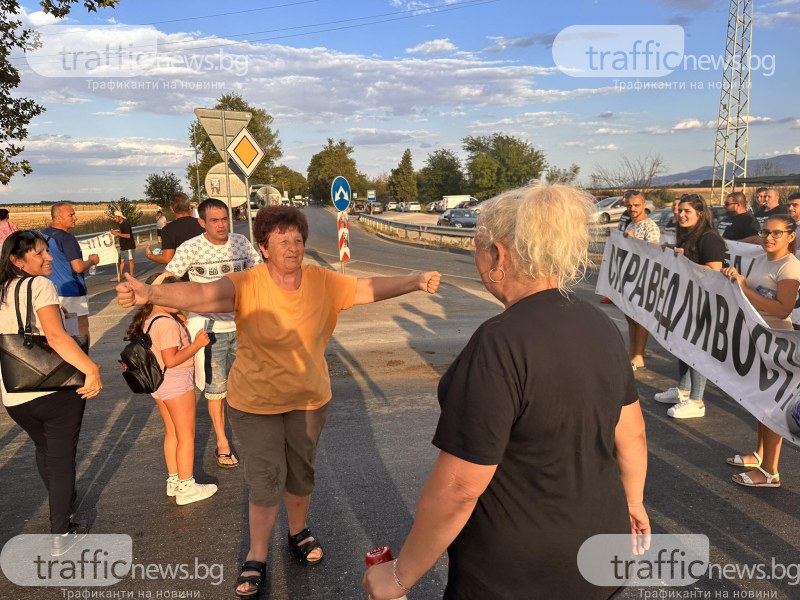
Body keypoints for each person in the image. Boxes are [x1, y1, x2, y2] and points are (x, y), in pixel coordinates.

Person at [115, 205, 441, 599]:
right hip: (254, 404)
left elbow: (366, 288)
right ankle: (256, 555)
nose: (292, 247)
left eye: (298, 240)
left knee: (301, 475)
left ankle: (298, 531)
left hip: (308, 400)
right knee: (267, 481)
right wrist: (151, 292)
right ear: (264, 247)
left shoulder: (322, 282)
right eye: (282, 240)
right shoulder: (247, 283)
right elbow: (200, 292)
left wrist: (415, 279)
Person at [363, 183, 649, 600]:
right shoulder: (600, 324)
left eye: (478, 248)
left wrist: (399, 576)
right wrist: (635, 503)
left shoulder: (498, 344)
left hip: (518, 575)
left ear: (499, 255)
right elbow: (633, 432)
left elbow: (461, 486)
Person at [0, 231, 102, 556]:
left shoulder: (3, 289)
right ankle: (61, 533)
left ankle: (64, 499)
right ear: (17, 260)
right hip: (53, 389)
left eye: (47, 251)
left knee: (44, 448)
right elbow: (56, 338)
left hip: (15, 393)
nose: (48, 258)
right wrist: (91, 369)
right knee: (62, 460)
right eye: (39, 254)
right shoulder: (41, 286)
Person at [164, 198, 263, 469]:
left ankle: (252, 437)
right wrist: (175, 316)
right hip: (209, 332)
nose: (221, 225)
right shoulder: (191, 248)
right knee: (216, 390)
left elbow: (260, 275)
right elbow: (168, 280)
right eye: (215, 220)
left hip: (243, 327)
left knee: (249, 386)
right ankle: (222, 443)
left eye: (224, 219)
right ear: (202, 223)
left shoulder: (241, 243)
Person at [721, 216, 800, 488]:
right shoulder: (763, 259)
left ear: (791, 236)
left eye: (777, 233)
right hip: (758, 338)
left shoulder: (790, 267)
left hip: (776, 342)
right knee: (759, 402)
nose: (769, 237)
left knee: (771, 406)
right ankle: (760, 454)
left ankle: (770, 472)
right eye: (765, 232)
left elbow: (781, 309)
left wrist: (743, 287)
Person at [126, 273, 217, 504]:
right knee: (186, 435)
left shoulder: (153, 318)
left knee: (173, 433)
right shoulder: (166, 323)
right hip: (176, 382)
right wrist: (197, 345)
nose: (180, 300)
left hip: (161, 385)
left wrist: (180, 319)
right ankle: (187, 487)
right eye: (176, 295)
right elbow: (171, 359)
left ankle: (174, 480)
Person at [655, 194, 726, 418]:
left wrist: (684, 261)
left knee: (696, 349)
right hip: (687, 299)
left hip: (703, 303)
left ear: (700, 213)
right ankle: (683, 391)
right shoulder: (688, 235)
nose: (681, 215)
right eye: (680, 210)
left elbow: (713, 271)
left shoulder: (709, 238)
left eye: (687, 211)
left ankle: (697, 400)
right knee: (683, 346)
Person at [42, 202, 100, 339]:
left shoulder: (43, 234)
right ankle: (80, 358)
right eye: (71, 215)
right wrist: (92, 261)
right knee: (79, 329)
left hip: (52, 289)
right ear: (58, 218)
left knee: (60, 329)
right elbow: (78, 267)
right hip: (71, 291)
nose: (75, 218)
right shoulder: (67, 238)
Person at [621, 192, 661, 370]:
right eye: (629, 205)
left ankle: (639, 356)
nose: (632, 209)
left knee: (640, 318)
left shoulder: (649, 226)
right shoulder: (631, 223)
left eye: (636, 205)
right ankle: (632, 353)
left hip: (644, 278)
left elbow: (653, 251)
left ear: (644, 204)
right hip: (630, 276)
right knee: (630, 317)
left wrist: (634, 241)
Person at [145, 193, 203, 280]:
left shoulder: (168, 230)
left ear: (172, 209)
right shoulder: (203, 224)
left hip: (182, 279)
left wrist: (150, 256)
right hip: (204, 275)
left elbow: (167, 258)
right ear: (189, 207)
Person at [111, 210, 135, 281]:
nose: (114, 219)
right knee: (122, 261)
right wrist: (116, 232)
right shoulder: (121, 224)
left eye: (115, 217)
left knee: (130, 260)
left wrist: (117, 234)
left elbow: (128, 235)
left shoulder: (126, 224)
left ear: (119, 217)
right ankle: (119, 276)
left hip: (129, 245)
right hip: (123, 245)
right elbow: (123, 233)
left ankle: (132, 276)